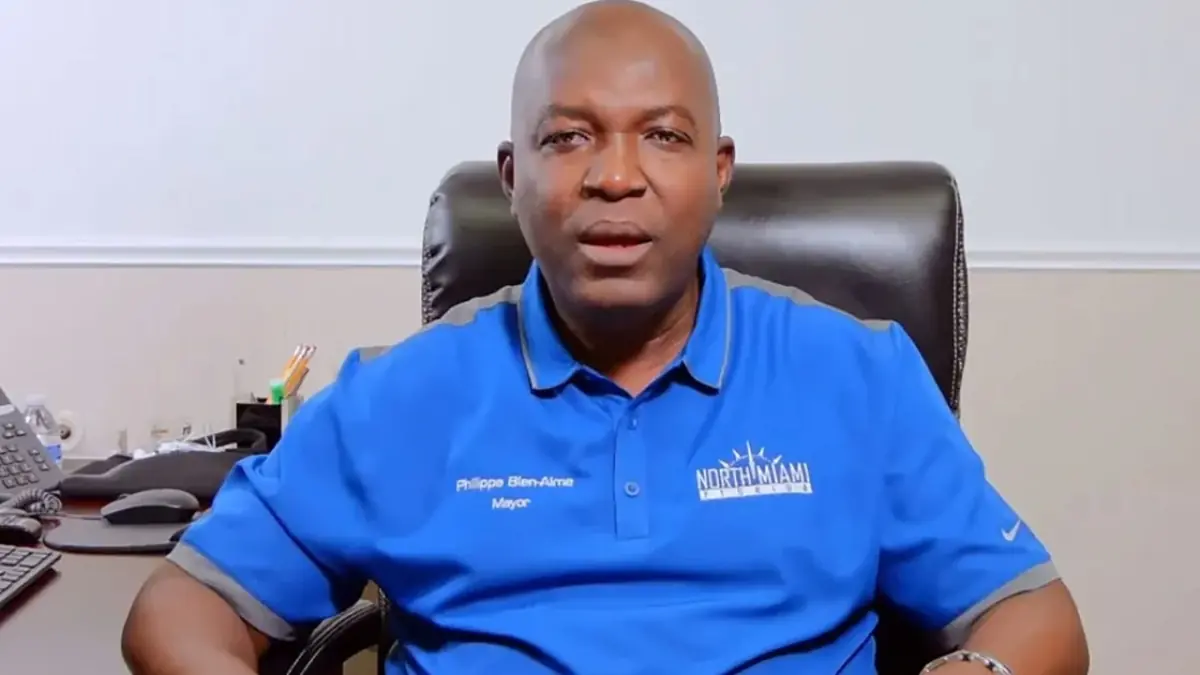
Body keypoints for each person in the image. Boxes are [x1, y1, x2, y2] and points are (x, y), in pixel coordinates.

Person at [122, 2, 1089, 673]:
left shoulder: (857, 374)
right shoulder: (400, 396)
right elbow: (182, 605)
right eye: (568, 137)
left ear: (719, 172)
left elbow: (1033, 611)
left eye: (662, 136)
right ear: (513, 176)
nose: (616, 176)